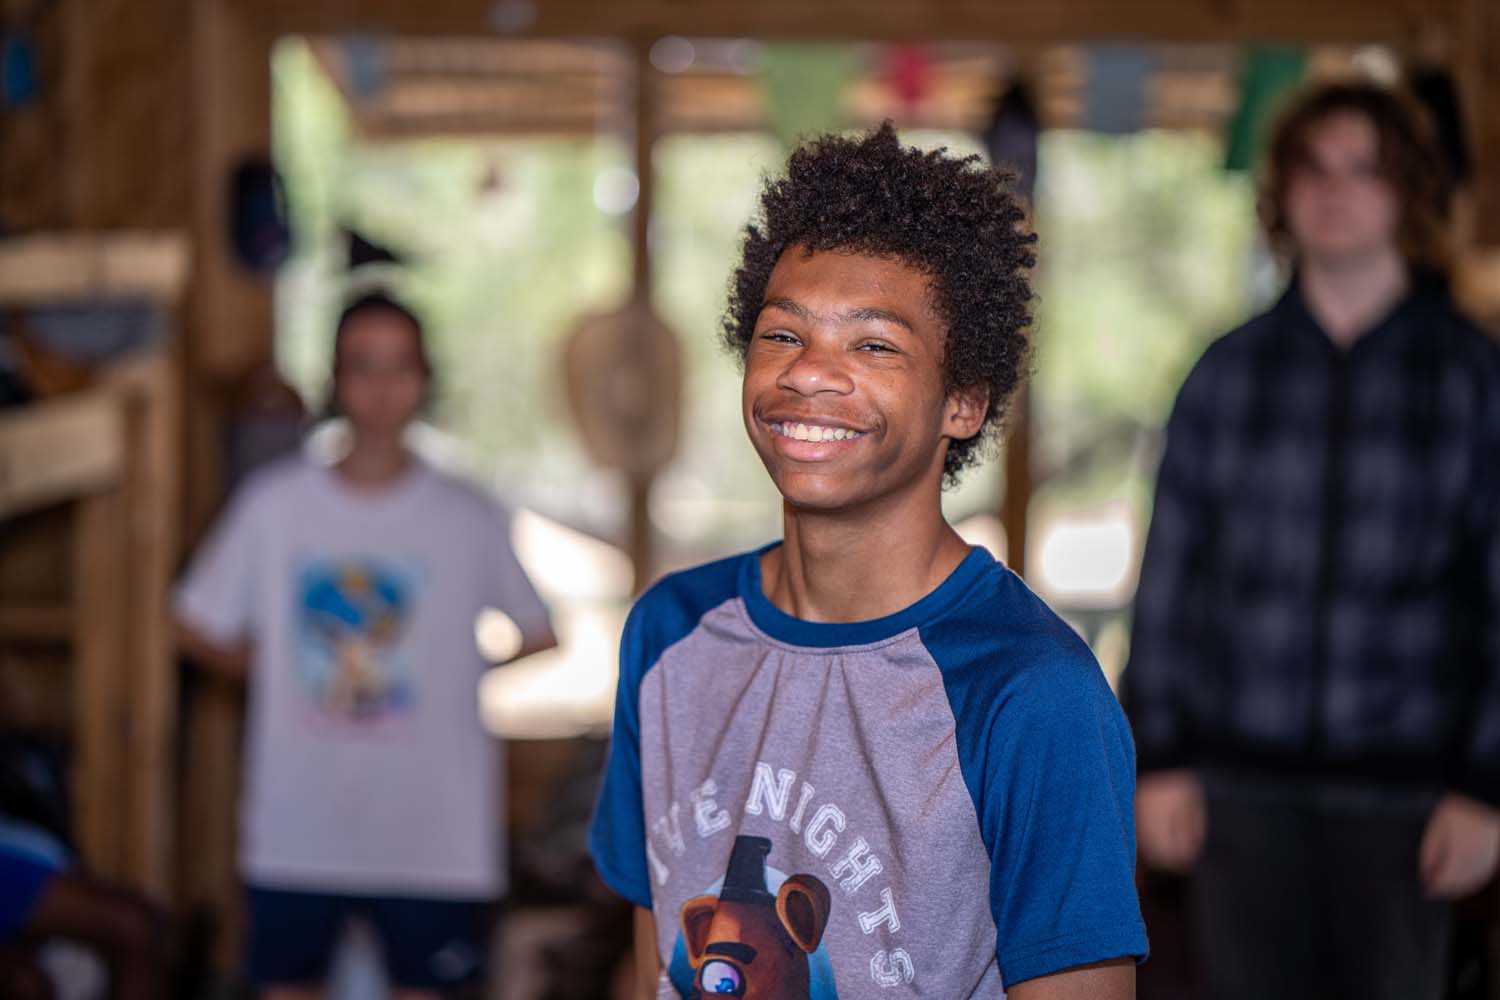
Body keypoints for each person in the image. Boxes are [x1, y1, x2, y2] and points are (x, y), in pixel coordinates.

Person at [588, 123, 1147, 999]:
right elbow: (652, 951)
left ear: (963, 401)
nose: (810, 374)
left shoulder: (1033, 693)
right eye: (781, 336)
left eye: (875, 345)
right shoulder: (669, 633)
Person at [1124, 80, 1500, 1000]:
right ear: (1282, 192)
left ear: (1408, 191)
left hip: (1414, 800)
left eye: (1364, 169)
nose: (1336, 191)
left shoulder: (1471, 377)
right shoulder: (1224, 373)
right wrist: (1160, 762)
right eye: (1314, 168)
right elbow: (1170, 582)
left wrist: (1487, 788)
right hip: (1232, 794)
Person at [175, 292, 555, 999]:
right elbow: (193, 622)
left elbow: (540, 633)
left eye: (399, 366)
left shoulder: (466, 515)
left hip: (433, 839)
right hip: (297, 833)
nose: (381, 387)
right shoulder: (274, 505)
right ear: (335, 379)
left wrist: (456, 668)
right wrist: (284, 674)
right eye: (361, 366)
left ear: (424, 378)